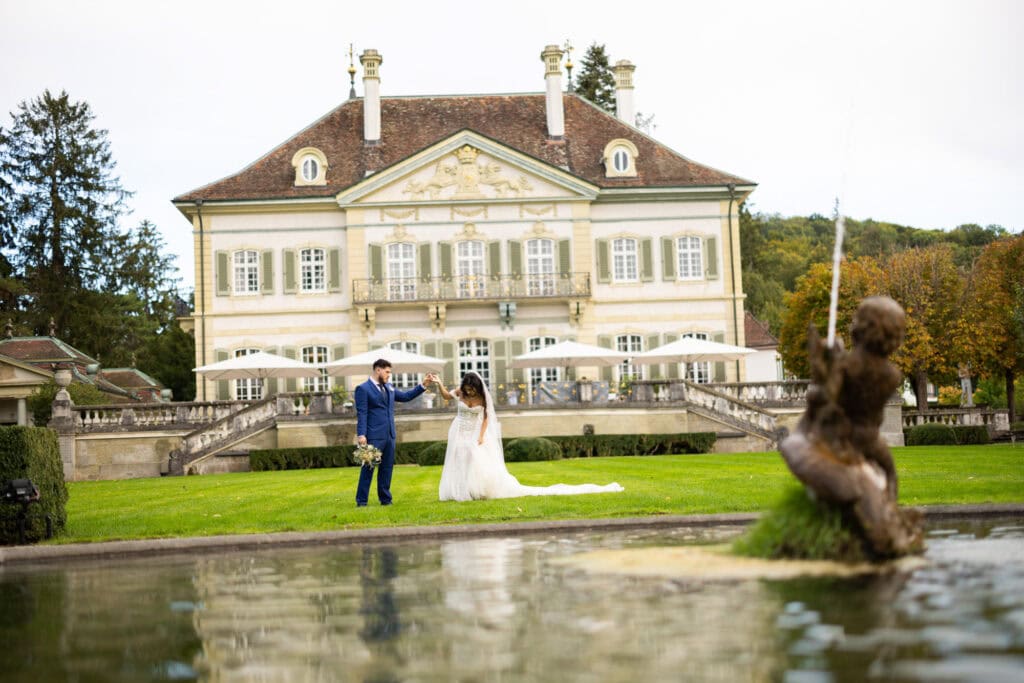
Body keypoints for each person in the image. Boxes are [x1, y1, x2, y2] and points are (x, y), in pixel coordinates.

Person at [433, 371, 624, 501]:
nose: (469, 392)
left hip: (475, 432)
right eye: (467, 389)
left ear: (477, 387)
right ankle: (459, 490)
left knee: (474, 458)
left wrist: (481, 436)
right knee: (458, 458)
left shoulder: (482, 398)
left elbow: (486, 418)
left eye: (471, 390)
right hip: (459, 430)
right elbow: (446, 396)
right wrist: (439, 383)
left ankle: (475, 490)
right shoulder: (460, 393)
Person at [354, 359, 433, 507]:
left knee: (387, 469)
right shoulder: (363, 389)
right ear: (378, 370)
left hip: (390, 435)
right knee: (368, 469)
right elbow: (362, 413)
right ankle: (361, 501)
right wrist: (361, 435)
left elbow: (406, 396)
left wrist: (423, 385)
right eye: (387, 372)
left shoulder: (389, 387)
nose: (389, 375)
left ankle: (385, 499)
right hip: (373, 436)